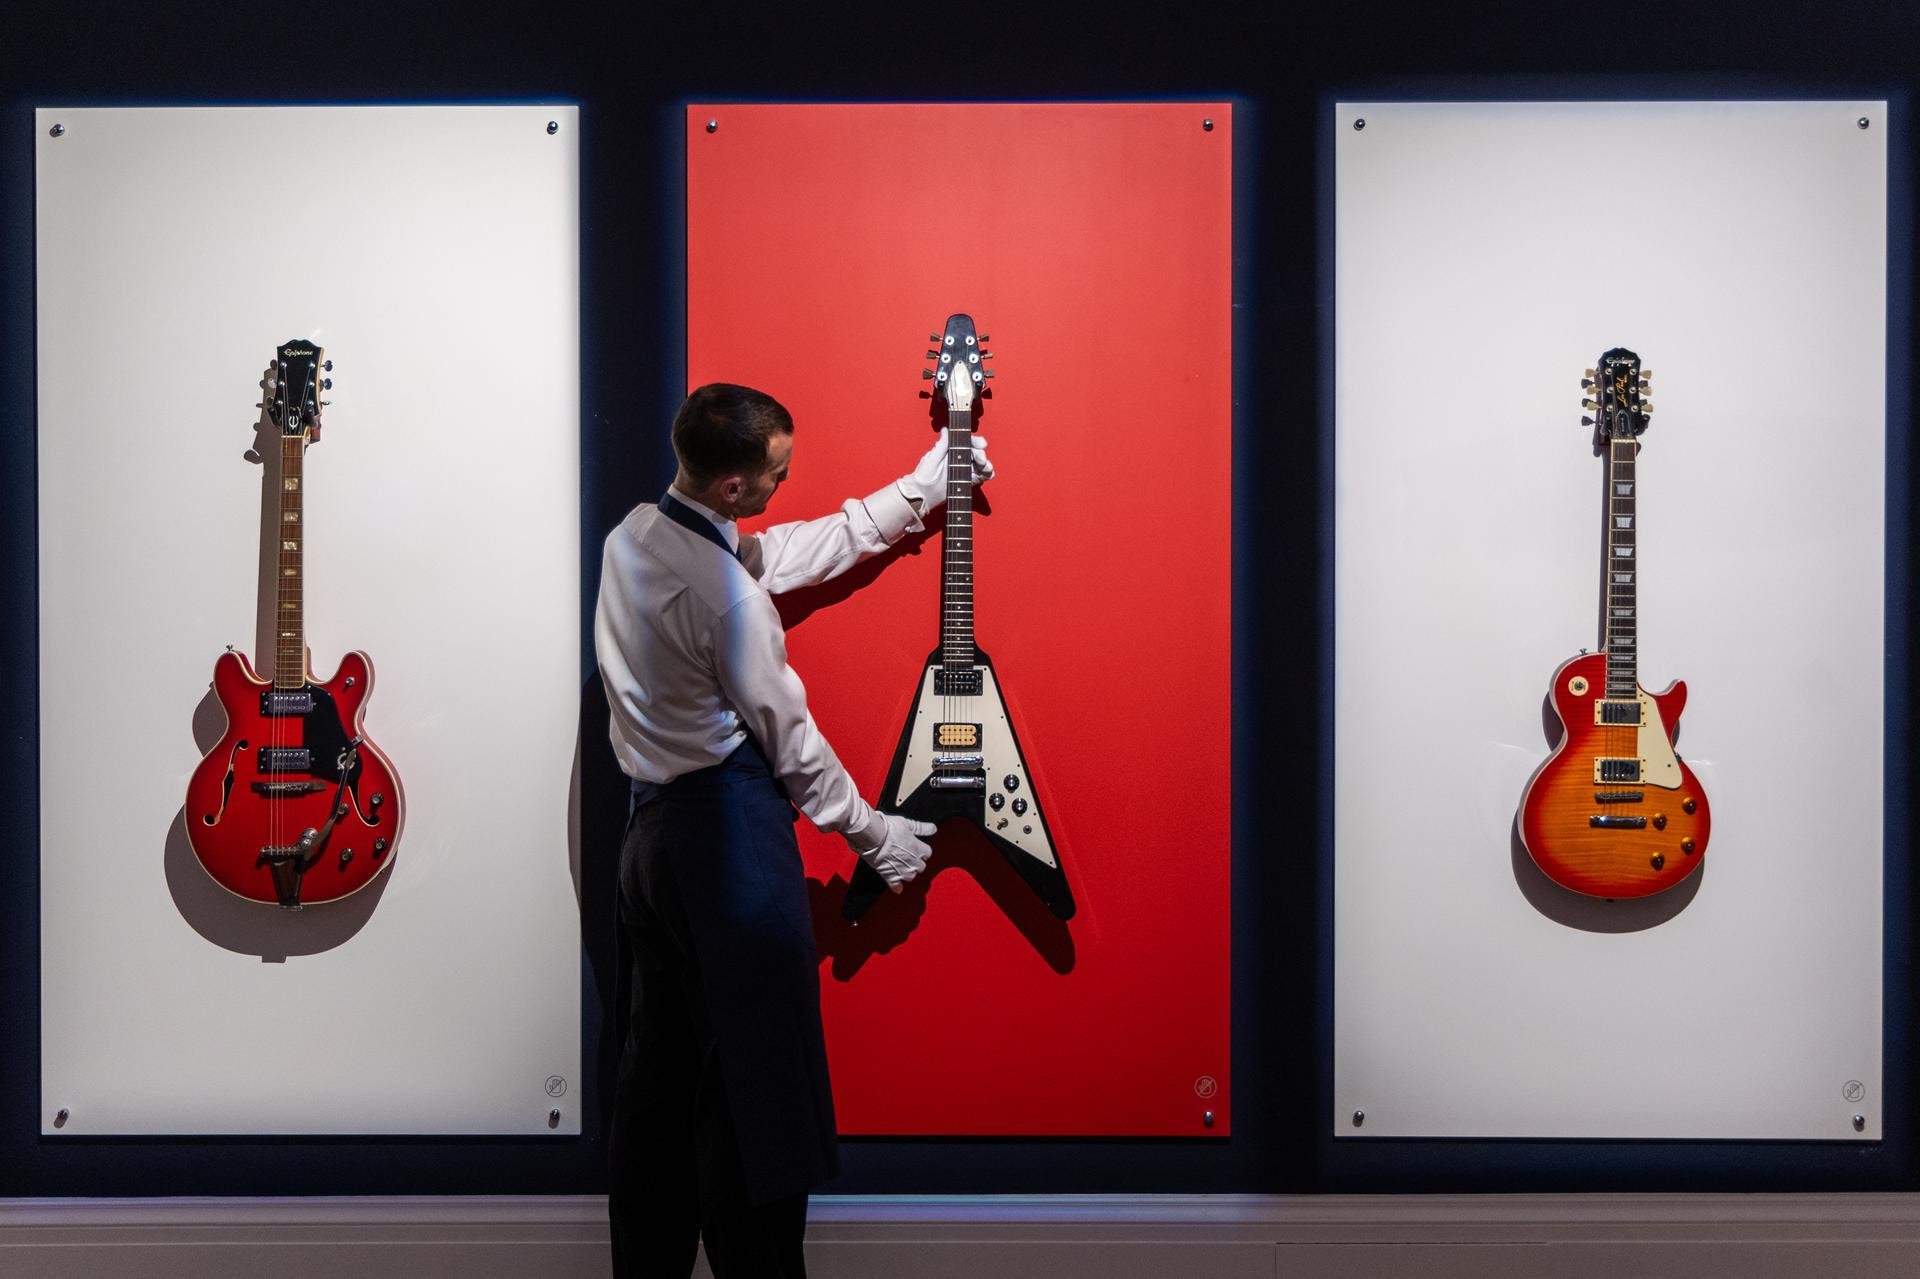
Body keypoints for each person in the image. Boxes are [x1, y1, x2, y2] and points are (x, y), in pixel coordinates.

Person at [595, 382, 993, 1277]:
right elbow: (793, 742)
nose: (787, 479)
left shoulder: (636, 537)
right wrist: (872, 834)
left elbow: (787, 550)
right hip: (725, 842)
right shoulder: (729, 602)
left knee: (653, 1095)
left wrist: (920, 490)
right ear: (732, 486)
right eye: (777, 470)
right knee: (759, 1107)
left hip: (645, 847)